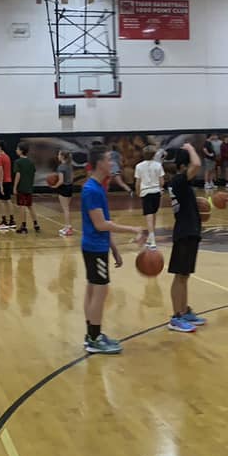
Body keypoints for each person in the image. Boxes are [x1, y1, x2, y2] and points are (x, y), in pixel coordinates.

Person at [78, 148, 143, 354]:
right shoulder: (92, 190)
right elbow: (101, 224)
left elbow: (102, 224)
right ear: (99, 164)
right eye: (108, 160)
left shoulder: (97, 187)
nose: (112, 163)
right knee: (99, 291)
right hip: (94, 247)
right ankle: (95, 339)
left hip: (97, 246)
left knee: (93, 290)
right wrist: (132, 229)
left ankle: (92, 334)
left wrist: (113, 248)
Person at [163, 144, 207, 333]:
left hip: (190, 231)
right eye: (188, 165)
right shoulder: (179, 180)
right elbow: (197, 164)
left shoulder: (180, 184)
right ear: (183, 166)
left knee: (184, 275)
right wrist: (191, 148)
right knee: (179, 276)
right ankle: (176, 317)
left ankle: (184, 310)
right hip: (184, 232)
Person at [134, 144, 167, 248]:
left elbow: (138, 182)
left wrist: (137, 192)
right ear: (153, 155)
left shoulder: (139, 166)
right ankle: (150, 237)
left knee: (149, 216)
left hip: (146, 192)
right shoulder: (158, 165)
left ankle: (152, 241)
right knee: (154, 214)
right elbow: (162, 182)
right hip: (156, 192)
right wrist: (160, 188)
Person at [13, 141, 39, 234]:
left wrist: (15, 187)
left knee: (21, 206)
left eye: (17, 149)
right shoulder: (31, 162)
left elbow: (18, 175)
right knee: (30, 206)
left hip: (21, 188)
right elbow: (33, 174)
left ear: (21, 151)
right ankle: (36, 224)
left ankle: (23, 226)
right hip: (29, 187)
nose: (16, 150)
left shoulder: (18, 162)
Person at [54, 149, 78, 236]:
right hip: (70, 187)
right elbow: (72, 178)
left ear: (62, 156)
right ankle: (66, 226)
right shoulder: (70, 166)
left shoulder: (61, 167)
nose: (58, 156)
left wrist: (54, 186)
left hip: (63, 188)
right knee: (67, 208)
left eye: (59, 154)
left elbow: (61, 181)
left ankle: (68, 228)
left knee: (65, 209)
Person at [0, 142, 15, 230]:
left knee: (2, 201)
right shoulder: (7, 157)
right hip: (8, 181)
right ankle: (12, 221)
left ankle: (4, 222)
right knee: (8, 200)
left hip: (3, 182)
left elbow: (1, 171)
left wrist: (1, 184)